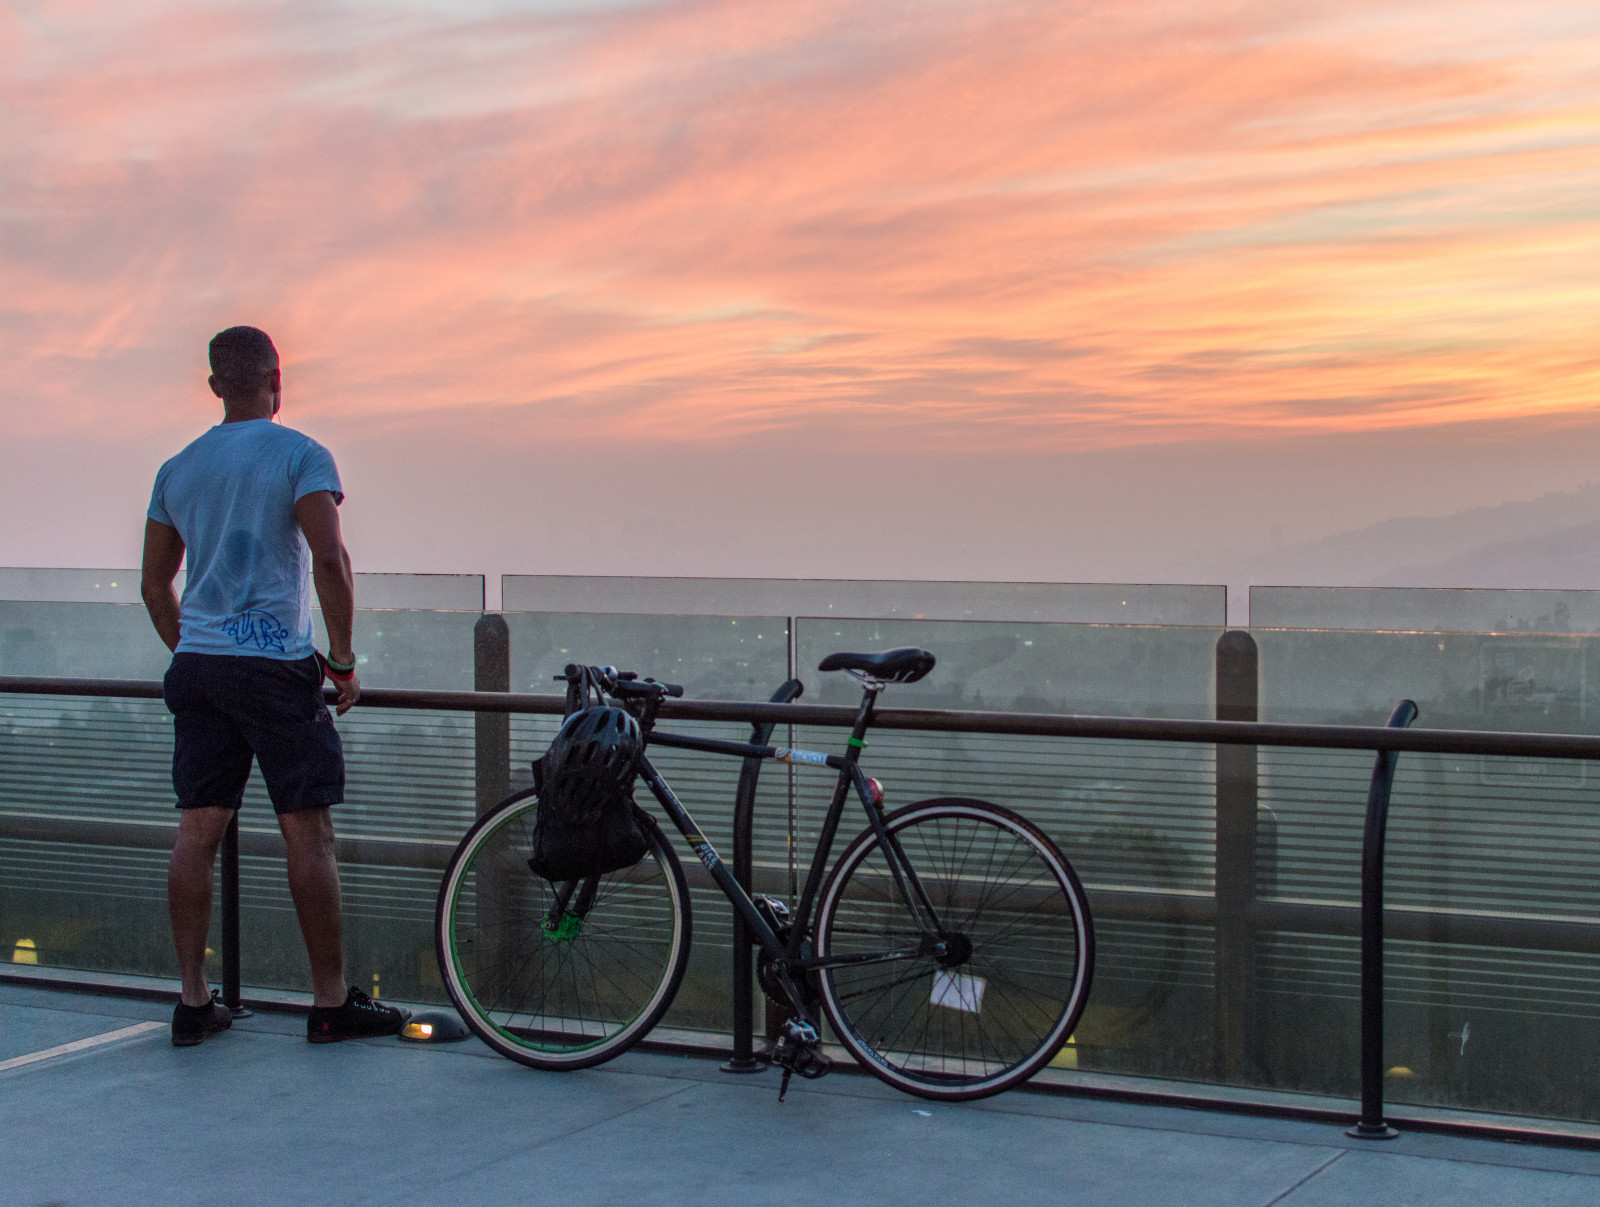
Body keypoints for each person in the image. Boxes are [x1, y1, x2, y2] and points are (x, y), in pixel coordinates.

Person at [141, 325, 408, 1047]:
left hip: (200, 667)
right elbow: (329, 559)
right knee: (308, 832)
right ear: (276, 380)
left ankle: (194, 1002)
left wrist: (196, 649)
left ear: (214, 386)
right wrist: (344, 658)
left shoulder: (178, 467)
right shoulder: (300, 455)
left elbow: (154, 585)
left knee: (197, 831)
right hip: (274, 666)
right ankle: (329, 1002)